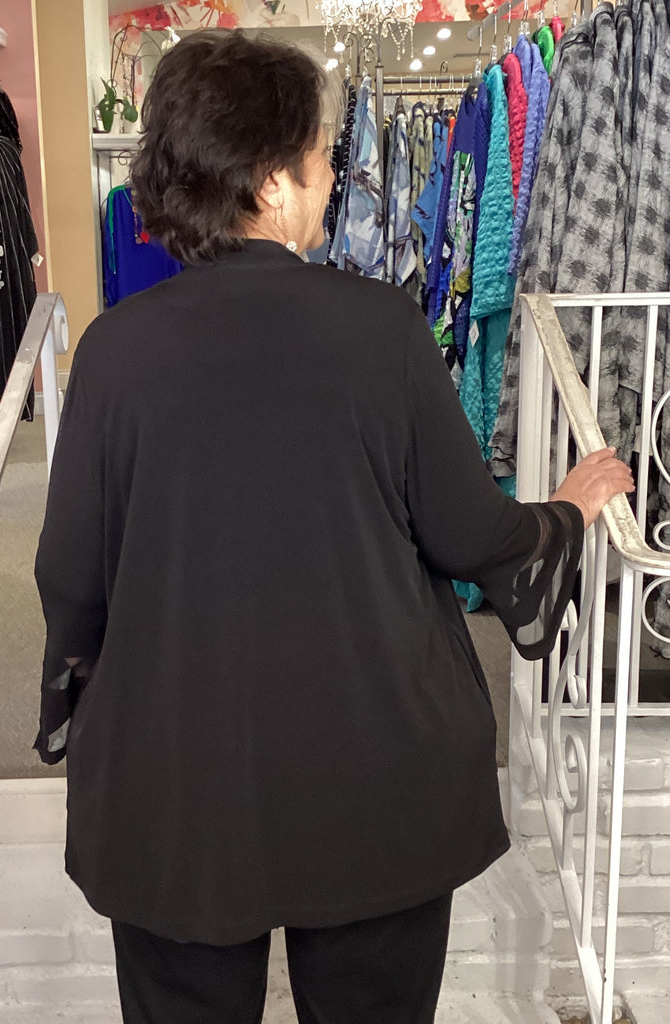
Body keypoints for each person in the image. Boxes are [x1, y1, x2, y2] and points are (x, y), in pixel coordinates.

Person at [34, 30, 634, 1024]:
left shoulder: (112, 353)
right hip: (372, 765)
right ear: (271, 182)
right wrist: (569, 509)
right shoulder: (382, 330)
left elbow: (71, 578)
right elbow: (468, 533)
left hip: (176, 778)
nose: (332, 180)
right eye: (321, 159)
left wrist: (80, 704)